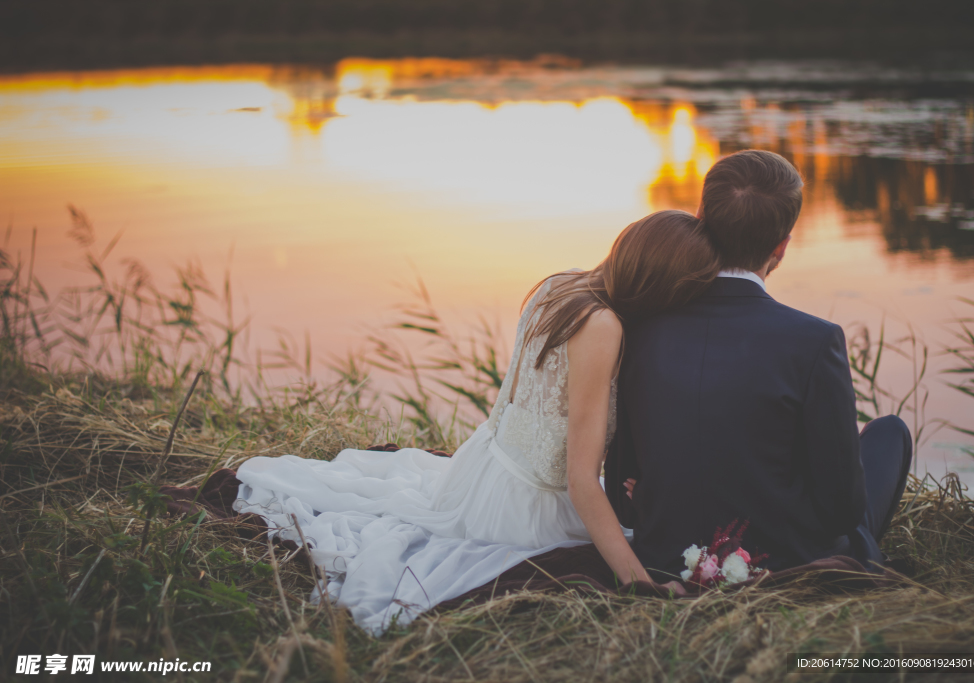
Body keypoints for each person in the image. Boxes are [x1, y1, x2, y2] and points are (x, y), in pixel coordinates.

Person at [233, 210, 719, 632]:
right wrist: (638, 585)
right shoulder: (603, 326)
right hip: (524, 507)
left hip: (482, 467)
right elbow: (578, 479)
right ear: (664, 286)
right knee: (636, 550)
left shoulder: (563, 284)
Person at [605, 150, 913, 579]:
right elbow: (840, 512)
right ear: (781, 246)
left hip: (666, 554)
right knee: (890, 433)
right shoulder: (815, 340)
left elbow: (621, 497)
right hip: (783, 557)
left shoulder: (637, 331)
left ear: (701, 219)